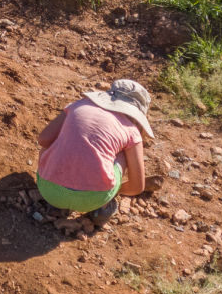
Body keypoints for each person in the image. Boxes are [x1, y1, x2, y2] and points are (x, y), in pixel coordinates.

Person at [34, 78, 161, 228]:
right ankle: (101, 209)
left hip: (48, 190)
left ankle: (58, 202)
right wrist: (113, 191)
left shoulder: (78, 105)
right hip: (94, 199)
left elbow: (43, 139)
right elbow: (137, 186)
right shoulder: (132, 131)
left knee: (57, 140)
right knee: (121, 153)